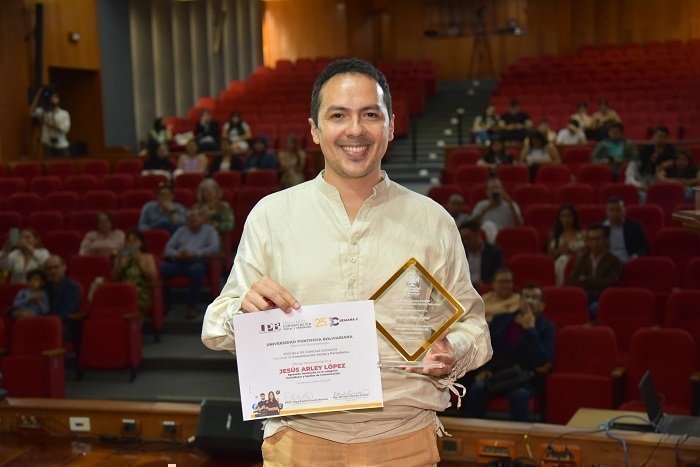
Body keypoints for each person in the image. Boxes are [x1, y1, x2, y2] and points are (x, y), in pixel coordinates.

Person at [201, 58, 491, 465]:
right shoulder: (271, 216)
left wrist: (453, 350)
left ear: (390, 126)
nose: (355, 129)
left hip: (404, 440)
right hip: (298, 441)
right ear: (315, 130)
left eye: (370, 115)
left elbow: (473, 325)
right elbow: (216, 324)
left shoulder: (433, 222)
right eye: (338, 115)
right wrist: (244, 313)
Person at [464, 284, 554, 422]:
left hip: (524, 378)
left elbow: (541, 360)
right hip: (497, 374)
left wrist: (530, 330)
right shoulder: (501, 320)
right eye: (526, 297)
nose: (529, 301)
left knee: (518, 395)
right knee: (478, 387)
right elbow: (487, 347)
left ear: (542, 305)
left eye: (534, 298)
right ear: (520, 300)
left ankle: (520, 440)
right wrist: (485, 370)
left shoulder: (546, 327)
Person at [161, 207, 220, 319]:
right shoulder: (181, 230)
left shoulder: (209, 230)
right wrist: (178, 253)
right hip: (180, 261)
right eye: (189, 218)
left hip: (198, 261)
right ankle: (165, 304)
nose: (192, 220)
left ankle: (192, 306)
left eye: (195, 217)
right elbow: (168, 248)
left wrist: (196, 253)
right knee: (162, 269)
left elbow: (214, 248)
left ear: (201, 218)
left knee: (197, 270)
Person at [566, 224, 623, 317]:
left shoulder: (614, 260)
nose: (594, 243)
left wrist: (585, 279)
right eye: (591, 239)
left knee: (594, 308)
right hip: (583, 298)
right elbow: (572, 280)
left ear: (606, 240)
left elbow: (612, 282)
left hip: (602, 299)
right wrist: (596, 281)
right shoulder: (582, 259)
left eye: (598, 239)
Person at [112, 229, 158, 313]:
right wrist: (118, 260)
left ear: (141, 242)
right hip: (123, 288)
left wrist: (140, 262)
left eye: (134, 240)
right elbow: (114, 278)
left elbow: (153, 277)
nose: (131, 243)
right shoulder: (122, 258)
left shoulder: (147, 257)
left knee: (133, 294)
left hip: (141, 290)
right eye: (128, 241)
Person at [469, 177, 523, 243]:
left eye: (497, 188)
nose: (494, 191)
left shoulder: (511, 205)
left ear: (502, 190)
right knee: (488, 225)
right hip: (486, 236)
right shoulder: (481, 205)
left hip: (506, 235)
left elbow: (519, 226)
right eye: (491, 189)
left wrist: (510, 204)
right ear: (487, 192)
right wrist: (487, 208)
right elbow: (472, 225)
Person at [44, 255, 81, 344]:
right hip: (43, 322)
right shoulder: (43, 287)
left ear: (64, 268)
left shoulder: (72, 288)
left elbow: (64, 313)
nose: (53, 271)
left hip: (63, 325)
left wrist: (42, 318)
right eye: (49, 269)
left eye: (56, 267)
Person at [627, 126, 677, 192]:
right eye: (659, 136)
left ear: (667, 138)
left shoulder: (671, 150)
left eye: (663, 137)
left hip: (663, 178)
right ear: (654, 136)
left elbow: (676, 161)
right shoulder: (647, 149)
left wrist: (671, 162)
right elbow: (641, 165)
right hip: (645, 177)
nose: (660, 139)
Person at [547, 204, 585, 285]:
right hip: (558, 265)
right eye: (563, 216)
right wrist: (560, 251)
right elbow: (549, 257)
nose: (566, 219)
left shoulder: (582, 234)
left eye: (569, 216)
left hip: (578, 265)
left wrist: (572, 252)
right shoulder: (554, 234)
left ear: (574, 218)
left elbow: (587, 253)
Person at [603, 196, 648, 263]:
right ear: (607, 212)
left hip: (629, 262)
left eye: (618, 210)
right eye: (611, 210)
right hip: (607, 263)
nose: (615, 213)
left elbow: (644, 248)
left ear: (624, 210)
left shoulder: (635, 227)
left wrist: (636, 256)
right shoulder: (601, 228)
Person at [459, 220, 503, 287]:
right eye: (463, 239)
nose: (465, 242)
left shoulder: (494, 252)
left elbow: (497, 276)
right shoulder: (461, 253)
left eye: (468, 238)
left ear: (477, 234)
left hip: (484, 289)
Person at [30, 88, 71, 156]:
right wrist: (38, 96)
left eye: (55, 97)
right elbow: (31, 112)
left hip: (61, 146)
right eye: (51, 97)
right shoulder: (44, 112)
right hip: (48, 146)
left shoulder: (64, 113)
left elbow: (65, 129)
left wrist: (51, 122)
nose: (53, 99)